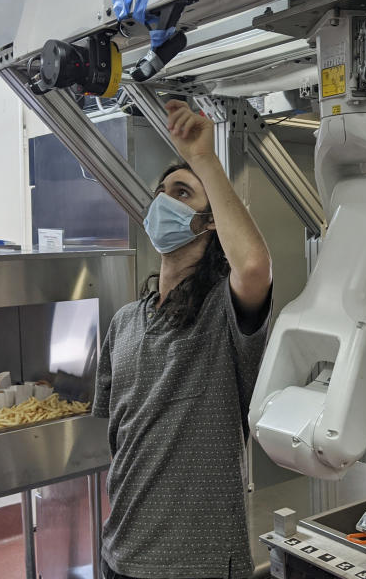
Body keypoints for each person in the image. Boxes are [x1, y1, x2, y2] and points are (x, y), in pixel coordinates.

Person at [93, 99, 273, 579]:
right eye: (162, 192)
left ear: (210, 221)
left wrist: (204, 160)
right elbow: (113, 437)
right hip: (121, 553)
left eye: (183, 193)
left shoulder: (221, 317)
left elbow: (253, 266)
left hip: (201, 563)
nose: (165, 202)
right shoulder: (125, 323)